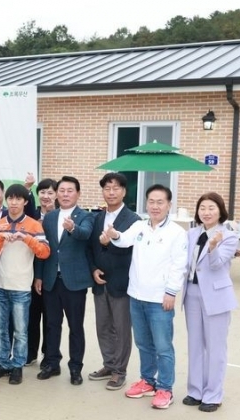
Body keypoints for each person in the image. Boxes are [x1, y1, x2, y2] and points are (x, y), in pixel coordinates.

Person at [106, 184, 187, 410]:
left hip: (160, 299)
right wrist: (114, 234)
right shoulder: (140, 226)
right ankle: (148, 381)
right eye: (151, 201)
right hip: (136, 295)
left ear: (169, 205)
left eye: (160, 202)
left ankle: (165, 388)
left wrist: (171, 292)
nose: (155, 206)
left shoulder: (176, 233)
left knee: (163, 346)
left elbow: (179, 266)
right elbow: (123, 239)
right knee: (143, 344)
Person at [0, 184, 50, 385]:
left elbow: (44, 252)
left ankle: (18, 365)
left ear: (25, 201)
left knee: (21, 331)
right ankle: (4, 362)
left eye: (18, 199)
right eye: (10, 198)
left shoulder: (34, 225)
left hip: (22, 286)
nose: (13, 203)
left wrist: (26, 238)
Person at [181, 192, 238, 413]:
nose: (206, 212)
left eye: (211, 208)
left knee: (215, 347)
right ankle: (195, 391)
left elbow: (217, 264)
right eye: (202, 207)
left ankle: (213, 395)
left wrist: (214, 246)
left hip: (216, 296)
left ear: (220, 211)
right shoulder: (191, 233)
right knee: (195, 345)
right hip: (192, 293)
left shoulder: (229, 235)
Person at [35, 176, 94, 386]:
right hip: (51, 279)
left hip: (75, 281)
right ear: (56, 193)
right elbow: (45, 248)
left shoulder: (85, 216)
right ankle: (52, 363)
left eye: (70, 191)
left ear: (78, 194)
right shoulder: (50, 218)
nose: (66, 194)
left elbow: (86, 235)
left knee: (75, 326)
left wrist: (72, 228)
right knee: (51, 324)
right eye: (62, 190)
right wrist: (39, 276)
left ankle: (76, 367)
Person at [87, 173, 139, 391]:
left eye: (116, 188)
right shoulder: (98, 217)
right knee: (103, 326)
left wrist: (108, 243)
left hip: (121, 282)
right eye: (107, 188)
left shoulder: (133, 220)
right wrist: (93, 268)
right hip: (100, 281)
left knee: (121, 328)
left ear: (124, 191)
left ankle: (120, 371)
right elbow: (90, 247)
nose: (111, 192)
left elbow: (128, 249)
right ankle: (108, 365)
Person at [27, 178, 57, 367]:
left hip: (52, 273)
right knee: (31, 315)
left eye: (50, 193)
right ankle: (30, 353)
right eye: (43, 192)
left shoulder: (62, 217)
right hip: (30, 272)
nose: (46, 197)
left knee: (50, 317)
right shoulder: (31, 215)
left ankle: (48, 353)